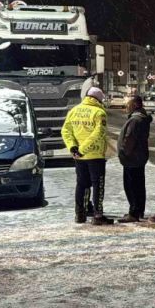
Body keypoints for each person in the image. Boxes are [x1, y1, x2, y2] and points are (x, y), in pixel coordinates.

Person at [62, 86, 113, 226]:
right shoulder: (99, 112)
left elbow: (66, 131)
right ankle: (98, 215)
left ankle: (80, 214)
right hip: (95, 155)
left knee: (82, 184)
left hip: (79, 157)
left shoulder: (74, 110)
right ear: (98, 99)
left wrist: (73, 148)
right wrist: (83, 149)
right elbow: (98, 134)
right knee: (98, 185)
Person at [117, 95, 152, 223]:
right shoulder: (140, 119)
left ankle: (134, 212)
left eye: (129, 104)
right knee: (138, 185)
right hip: (138, 157)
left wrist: (123, 153)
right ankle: (138, 210)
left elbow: (129, 139)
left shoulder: (135, 120)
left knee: (132, 186)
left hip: (132, 158)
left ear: (136, 105)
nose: (126, 106)